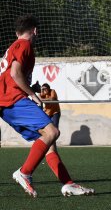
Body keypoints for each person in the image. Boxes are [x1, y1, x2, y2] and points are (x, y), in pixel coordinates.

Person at [0, 15, 94, 197]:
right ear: (35, 30)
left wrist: (31, 87)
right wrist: (32, 94)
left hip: (7, 100)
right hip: (12, 99)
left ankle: (68, 184)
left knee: (48, 142)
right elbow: (15, 73)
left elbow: (11, 75)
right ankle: (24, 172)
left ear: (16, 32)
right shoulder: (24, 45)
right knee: (52, 132)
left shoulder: (13, 46)